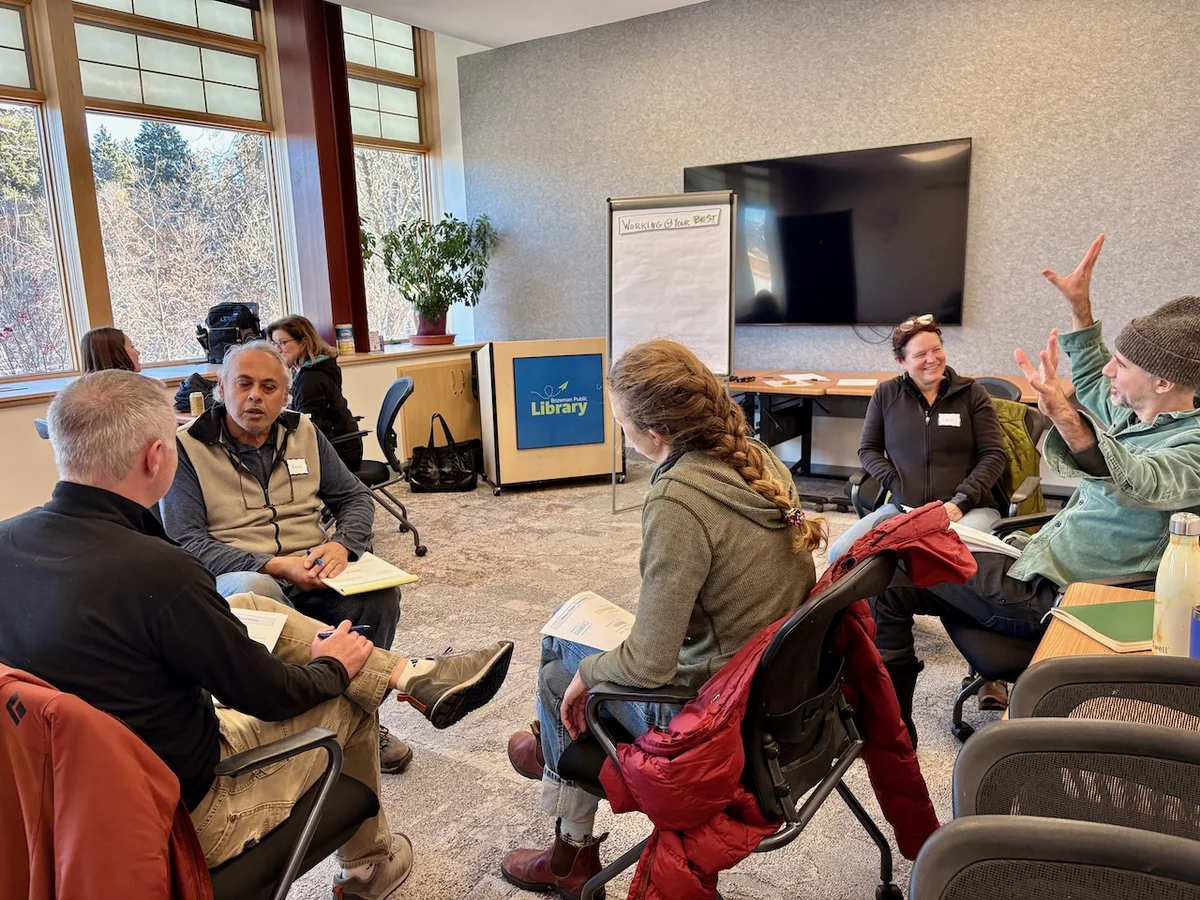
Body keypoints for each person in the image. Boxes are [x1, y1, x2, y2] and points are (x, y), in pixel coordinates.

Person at [0, 370, 514, 900]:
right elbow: (269, 698)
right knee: (353, 693)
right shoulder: (161, 574)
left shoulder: (6, 543)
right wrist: (333, 668)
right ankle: (368, 868)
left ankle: (412, 673)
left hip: (57, 805)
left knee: (244, 602)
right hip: (180, 818)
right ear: (157, 458)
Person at [500, 339, 827, 898]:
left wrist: (588, 676)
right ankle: (553, 756)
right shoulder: (758, 458)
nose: (622, 437)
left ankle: (570, 850)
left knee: (560, 673)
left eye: (622, 425)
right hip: (770, 686)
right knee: (564, 635)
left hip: (712, 708)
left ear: (655, 434)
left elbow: (650, 663)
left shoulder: (678, 498)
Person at [873, 234, 1200, 746]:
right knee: (892, 569)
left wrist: (1066, 418)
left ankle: (889, 734)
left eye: (1126, 364)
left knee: (893, 557)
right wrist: (1080, 308)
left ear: (1162, 382)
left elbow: (1140, 479)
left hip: (1065, 595)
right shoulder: (1145, 413)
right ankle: (895, 725)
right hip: (1037, 561)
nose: (1111, 371)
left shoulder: (1192, 447)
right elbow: (1093, 377)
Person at [161, 341, 410, 771]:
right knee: (256, 587)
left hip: (313, 568)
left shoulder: (304, 432)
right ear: (222, 387)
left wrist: (341, 545)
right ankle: (293, 726)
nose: (255, 395)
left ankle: (358, 714)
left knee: (380, 593)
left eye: (269, 386)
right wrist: (272, 566)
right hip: (241, 577)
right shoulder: (185, 448)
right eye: (244, 383)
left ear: (285, 395)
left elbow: (355, 498)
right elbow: (186, 541)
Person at [826, 313, 1007, 564]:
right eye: (920, 355)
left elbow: (994, 455)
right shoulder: (886, 394)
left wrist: (961, 501)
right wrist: (894, 482)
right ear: (901, 361)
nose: (932, 359)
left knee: (939, 556)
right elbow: (868, 449)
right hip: (904, 509)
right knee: (841, 555)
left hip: (968, 509)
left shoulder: (973, 394)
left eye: (937, 350)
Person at [267, 314, 364, 470]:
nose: (278, 350)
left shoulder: (311, 379)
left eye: (283, 343)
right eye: (274, 344)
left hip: (337, 454)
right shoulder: (309, 369)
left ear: (303, 343)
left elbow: (307, 428)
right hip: (333, 445)